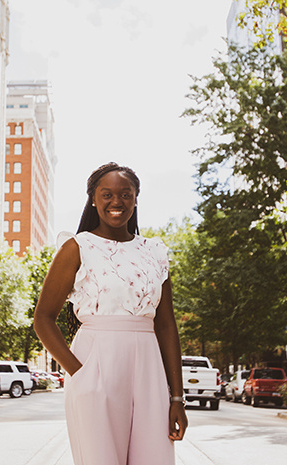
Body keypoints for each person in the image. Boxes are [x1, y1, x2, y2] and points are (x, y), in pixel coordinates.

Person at [33, 162, 188, 465]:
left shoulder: (155, 252)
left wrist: (176, 398)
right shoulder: (77, 247)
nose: (116, 202)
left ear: (135, 199)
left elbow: (167, 326)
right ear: (93, 199)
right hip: (95, 366)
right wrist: (80, 374)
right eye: (107, 195)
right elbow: (43, 318)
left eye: (125, 195)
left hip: (149, 369)